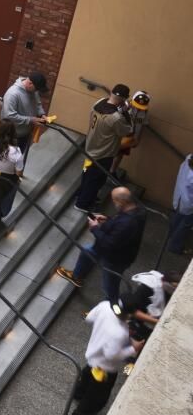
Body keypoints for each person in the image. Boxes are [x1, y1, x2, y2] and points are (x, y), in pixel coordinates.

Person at [66, 289, 145, 415]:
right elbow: (112, 355)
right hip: (104, 369)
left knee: (86, 377)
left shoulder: (104, 306)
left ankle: (78, 394)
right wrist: (134, 349)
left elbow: (89, 318)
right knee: (98, 396)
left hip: (92, 357)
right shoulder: (119, 331)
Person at [57, 187, 147, 303]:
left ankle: (108, 310)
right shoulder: (138, 210)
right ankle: (76, 276)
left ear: (122, 202)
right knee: (87, 252)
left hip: (115, 259)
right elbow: (119, 227)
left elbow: (109, 243)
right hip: (109, 250)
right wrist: (108, 220)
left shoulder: (127, 223)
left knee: (110, 286)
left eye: (114, 201)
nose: (114, 203)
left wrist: (94, 228)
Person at [75, 84, 135, 212]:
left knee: (88, 174)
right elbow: (128, 131)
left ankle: (82, 195)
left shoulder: (99, 103)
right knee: (96, 179)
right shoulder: (116, 118)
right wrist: (125, 111)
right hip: (104, 152)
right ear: (124, 99)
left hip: (91, 145)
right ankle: (83, 204)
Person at [2, 72, 50, 155]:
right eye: (36, 89)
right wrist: (31, 120)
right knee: (7, 159)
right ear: (30, 83)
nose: (37, 91)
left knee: (18, 159)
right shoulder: (12, 94)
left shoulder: (34, 91)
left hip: (25, 133)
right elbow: (9, 116)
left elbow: (38, 104)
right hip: (11, 135)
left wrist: (42, 114)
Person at [167, 154, 193, 254]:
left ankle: (171, 237)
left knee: (177, 218)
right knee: (185, 224)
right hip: (189, 204)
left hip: (180, 196)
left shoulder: (189, 158)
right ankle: (175, 246)